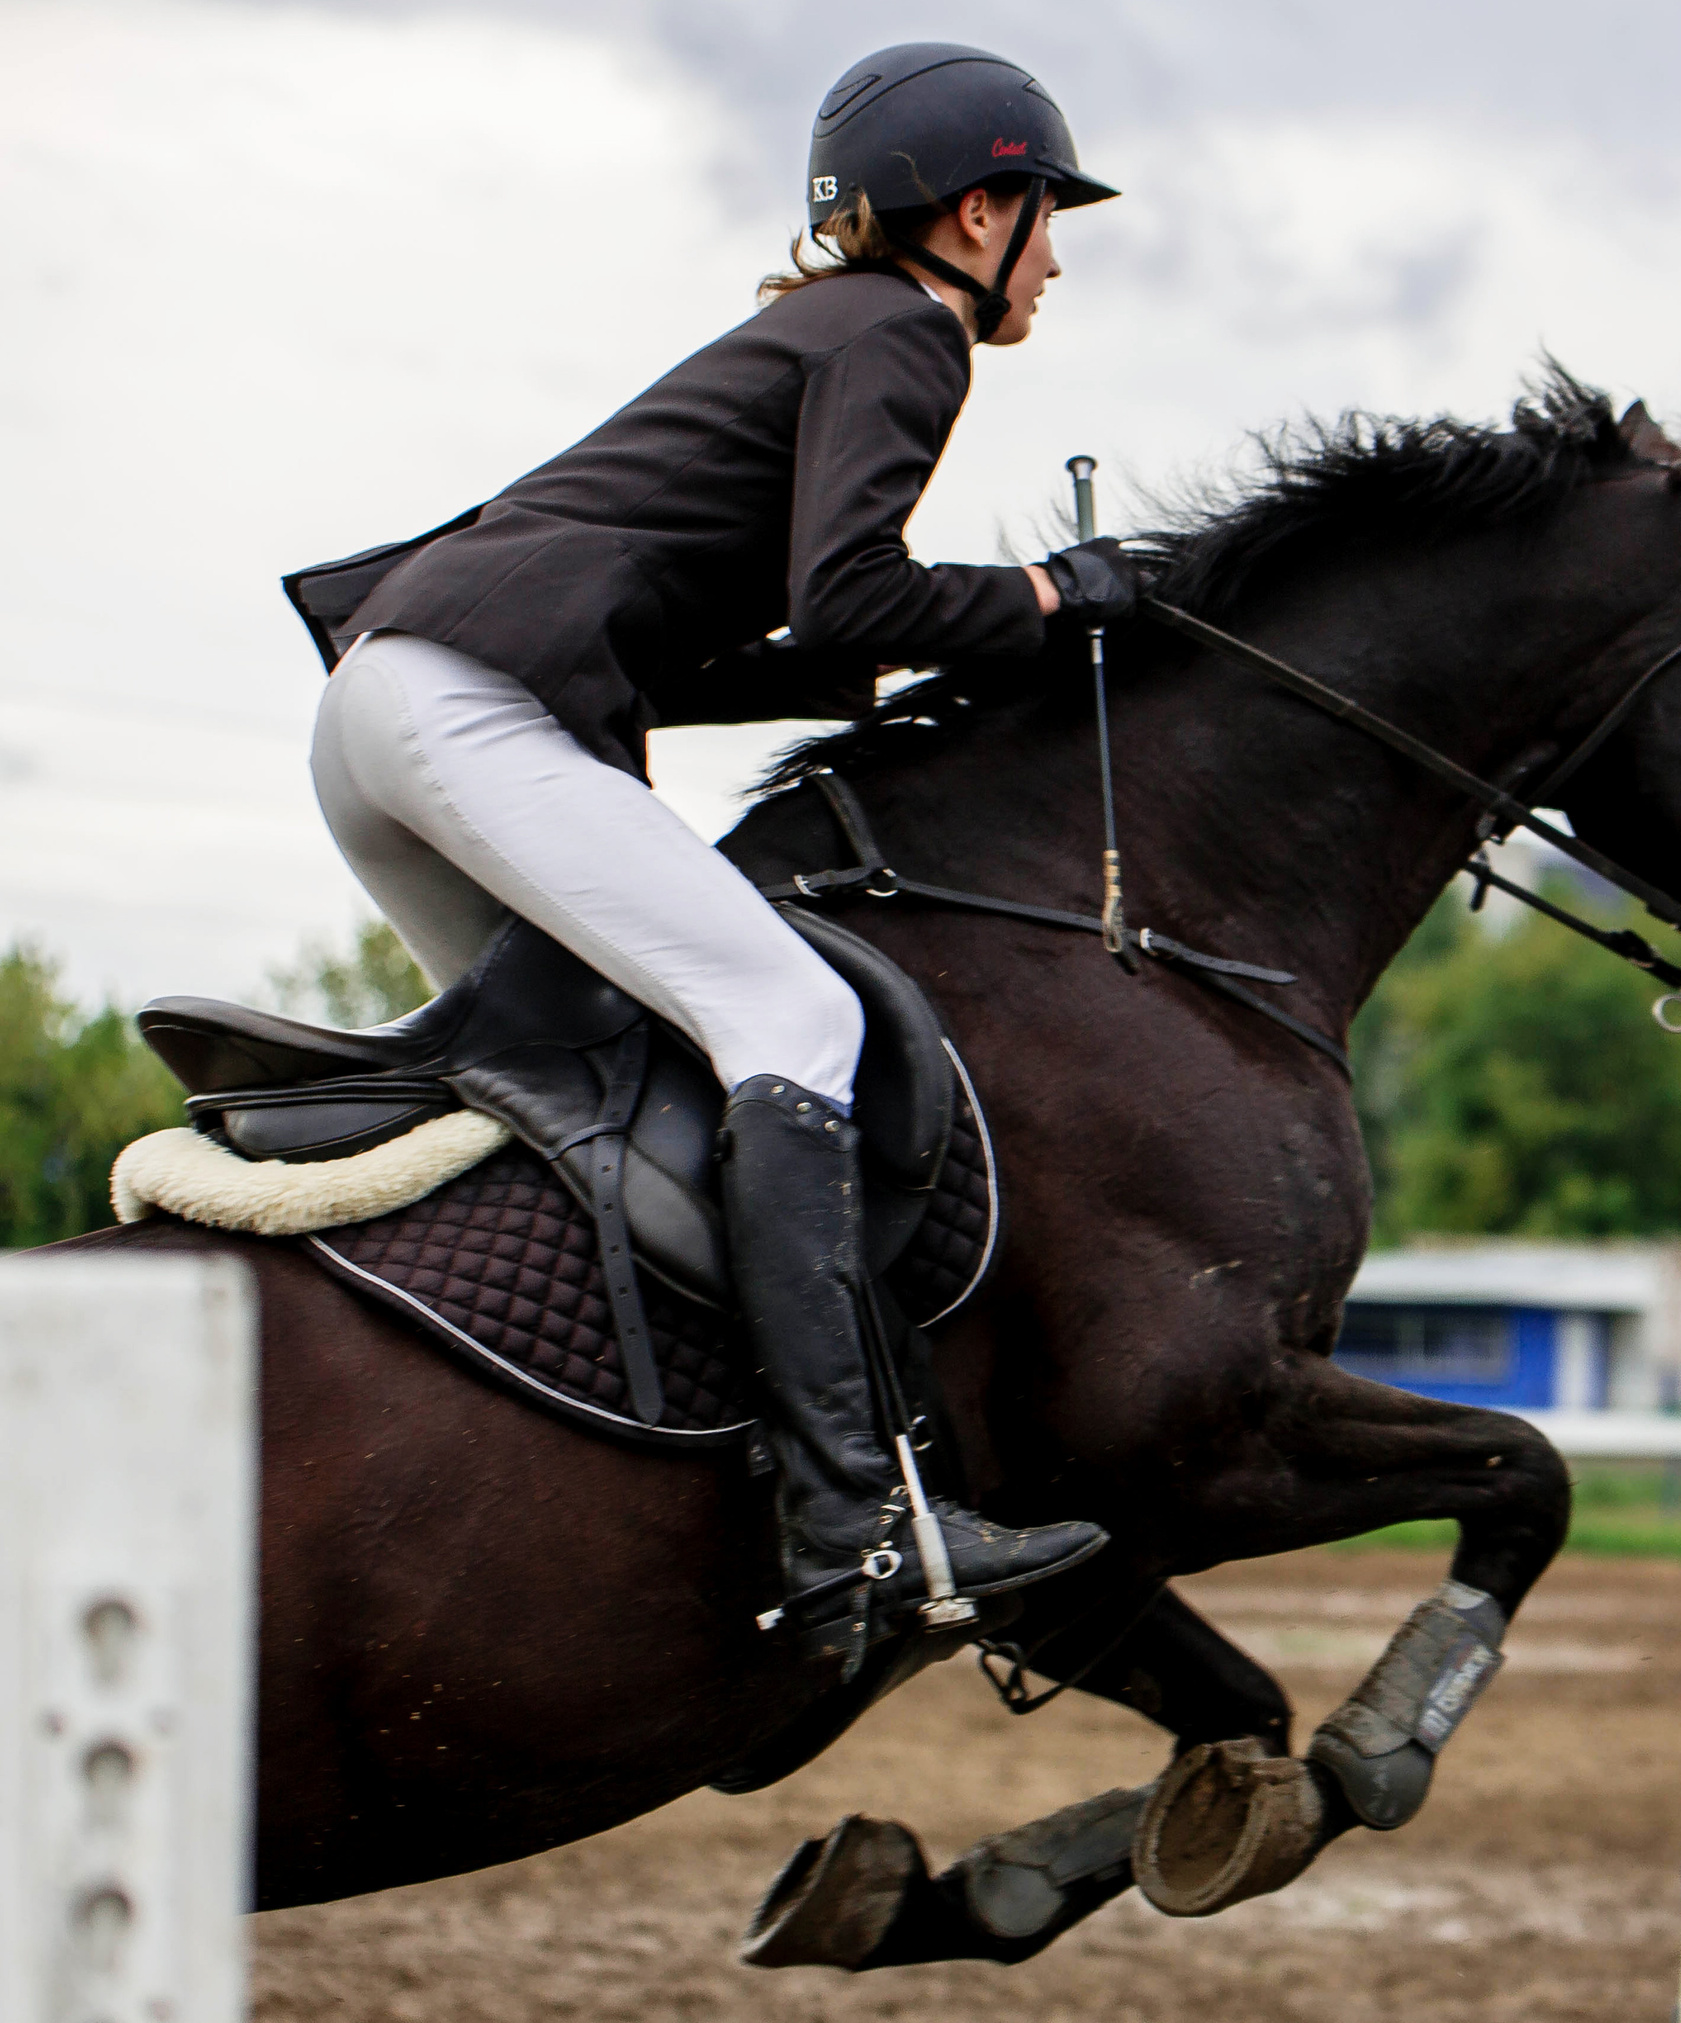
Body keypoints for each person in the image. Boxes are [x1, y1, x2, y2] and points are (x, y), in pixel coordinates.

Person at [281, 43, 1140, 1661]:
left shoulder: (810, 328)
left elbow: (754, 650)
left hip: (382, 712)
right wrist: (1038, 601)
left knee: (613, 1076)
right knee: (794, 1025)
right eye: (1046, 215)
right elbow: (853, 597)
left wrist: (943, 645)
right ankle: (855, 1527)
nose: (1057, 255)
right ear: (978, 213)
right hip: (468, 706)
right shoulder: (909, 325)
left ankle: (631, 1457)